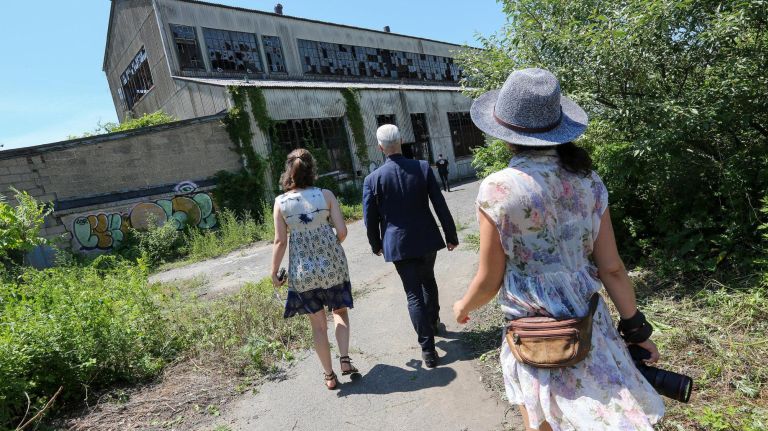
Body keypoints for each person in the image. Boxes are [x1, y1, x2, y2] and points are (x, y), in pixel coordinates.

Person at [452, 68, 664, 430]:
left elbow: (489, 279)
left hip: (535, 337)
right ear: (557, 128)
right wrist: (636, 329)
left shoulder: (498, 189)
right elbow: (612, 268)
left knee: (544, 420)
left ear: (506, 134)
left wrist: (463, 306)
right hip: (588, 328)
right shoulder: (589, 182)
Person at [363, 125, 459, 368]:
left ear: (380, 147)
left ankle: (428, 351)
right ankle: (433, 322)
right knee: (428, 280)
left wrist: (376, 244)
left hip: (397, 244)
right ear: (401, 141)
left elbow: (369, 218)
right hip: (426, 239)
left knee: (413, 293)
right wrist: (450, 234)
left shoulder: (373, 179)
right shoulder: (422, 167)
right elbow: (439, 204)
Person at [271, 149, 358, 390]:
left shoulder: (281, 203)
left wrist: (274, 272)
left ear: (289, 172)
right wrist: (330, 248)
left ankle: (329, 376)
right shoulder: (326, 195)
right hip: (333, 266)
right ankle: (345, 359)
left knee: (318, 326)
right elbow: (342, 232)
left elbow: (280, 241)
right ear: (312, 170)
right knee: (340, 311)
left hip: (303, 273)